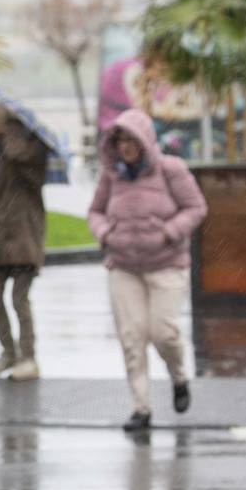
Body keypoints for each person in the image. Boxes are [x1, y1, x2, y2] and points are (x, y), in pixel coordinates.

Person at [88, 108, 207, 432]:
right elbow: (95, 212)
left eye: (131, 139)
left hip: (166, 265)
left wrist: (169, 232)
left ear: (144, 140)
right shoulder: (111, 175)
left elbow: (196, 207)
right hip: (123, 267)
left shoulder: (171, 169)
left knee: (163, 332)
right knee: (132, 337)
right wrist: (105, 234)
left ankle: (179, 377)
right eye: (120, 140)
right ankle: (141, 408)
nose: (125, 146)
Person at [0, 105, 48, 381]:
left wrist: (9, 137)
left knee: (19, 299)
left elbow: (22, 159)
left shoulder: (32, 148)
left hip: (22, 234)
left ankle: (29, 357)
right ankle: (9, 351)